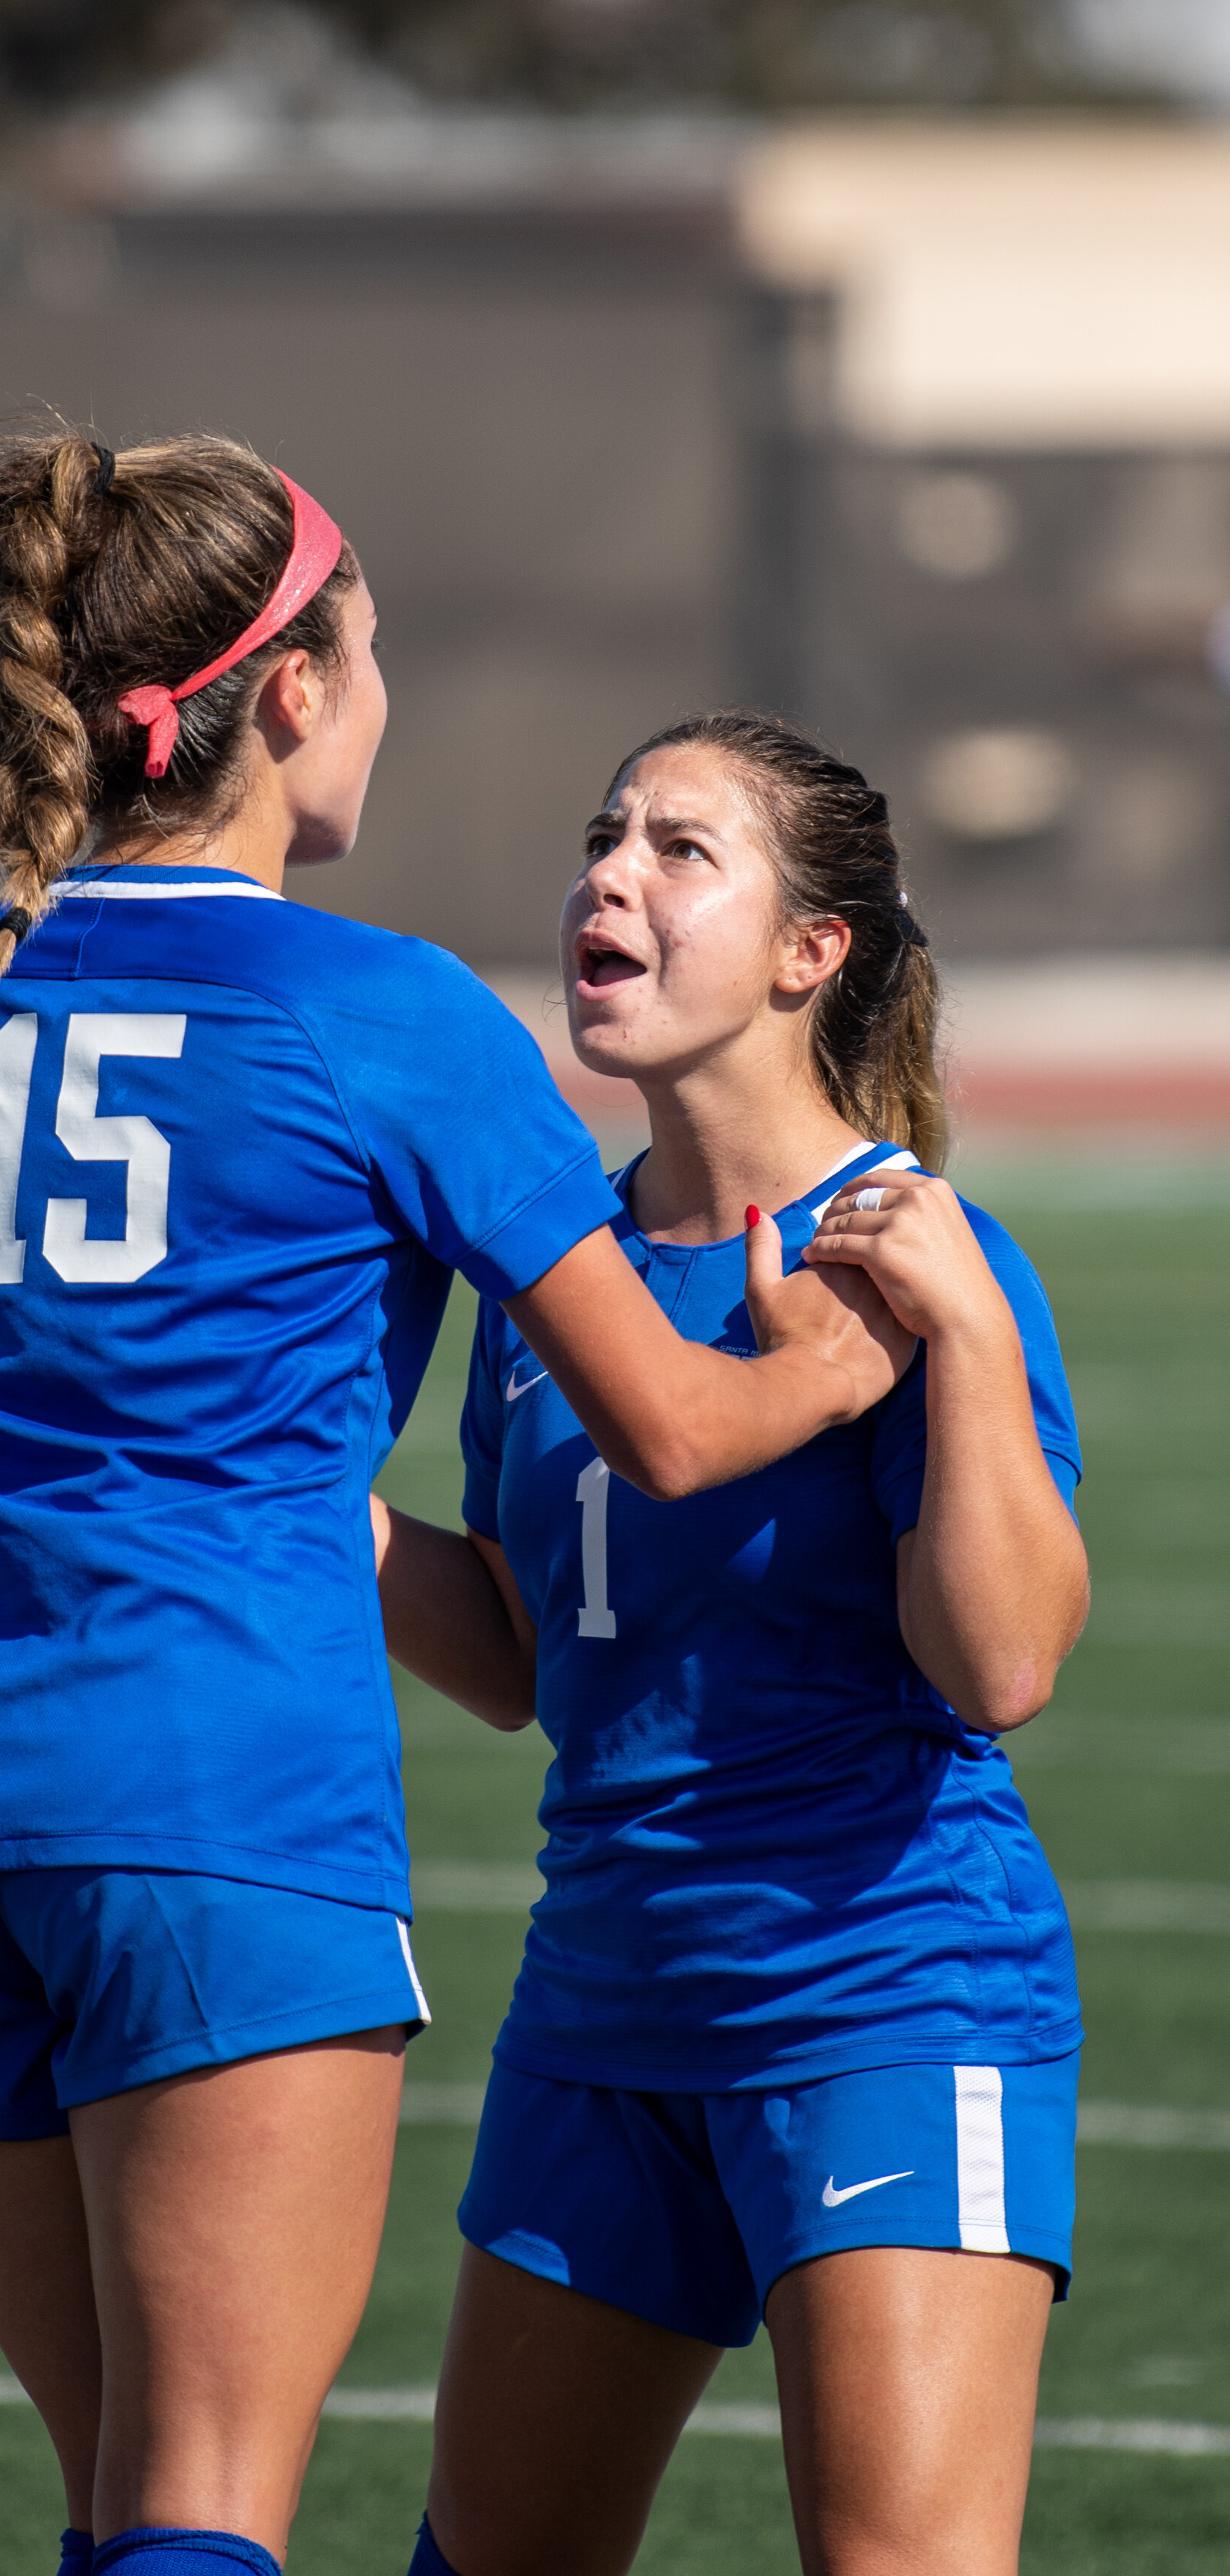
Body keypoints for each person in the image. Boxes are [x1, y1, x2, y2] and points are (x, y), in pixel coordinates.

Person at [0, 438, 909, 2576]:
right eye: (372, 649)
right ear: (291, 693)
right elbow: (674, 1429)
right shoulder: (389, 1011)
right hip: (220, 1792)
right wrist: (852, 1352)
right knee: (202, 2518)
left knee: (113, 2505)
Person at [373, 713, 1089, 2576]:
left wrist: (975, 1354)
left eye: (682, 849)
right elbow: (535, 1656)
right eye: (603, 834)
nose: (609, 874)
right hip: (604, 2009)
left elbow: (998, 1663)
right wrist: (302, 1499)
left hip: (883, 1993)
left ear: (809, 950)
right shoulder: (560, 1287)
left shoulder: (917, 1257)